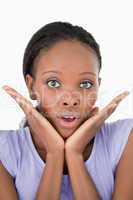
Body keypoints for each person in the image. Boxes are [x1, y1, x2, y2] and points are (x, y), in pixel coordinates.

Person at [0, 21, 133, 200]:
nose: (71, 100)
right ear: (31, 86)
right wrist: (55, 154)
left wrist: (74, 155)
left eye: (86, 84)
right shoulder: (4, 151)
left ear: (98, 86)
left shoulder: (125, 140)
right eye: (53, 83)